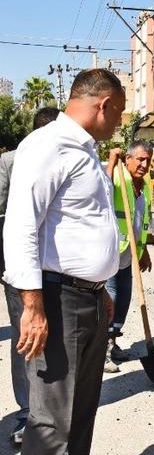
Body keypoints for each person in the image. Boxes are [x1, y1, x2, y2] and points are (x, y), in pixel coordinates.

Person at [3, 68, 123, 455]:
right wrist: (32, 307)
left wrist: (101, 288)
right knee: (53, 421)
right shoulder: (47, 146)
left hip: (89, 299)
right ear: (103, 104)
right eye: (119, 113)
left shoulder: (86, 152)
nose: (119, 123)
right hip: (59, 301)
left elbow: (82, 227)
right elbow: (22, 226)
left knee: (82, 412)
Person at [0, 106, 60, 446]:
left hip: (57, 271)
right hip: (21, 272)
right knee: (26, 342)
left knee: (52, 340)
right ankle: (27, 413)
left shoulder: (65, 159)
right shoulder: (11, 162)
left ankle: (49, 411)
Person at [103, 140, 154, 373]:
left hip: (129, 254)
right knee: (109, 301)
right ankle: (101, 351)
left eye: (148, 160)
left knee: (122, 301)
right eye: (140, 159)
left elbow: (140, 223)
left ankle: (113, 343)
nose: (144, 164)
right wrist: (111, 162)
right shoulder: (117, 178)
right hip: (112, 251)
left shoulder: (143, 188)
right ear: (128, 159)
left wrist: (145, 252)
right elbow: (101, 190)